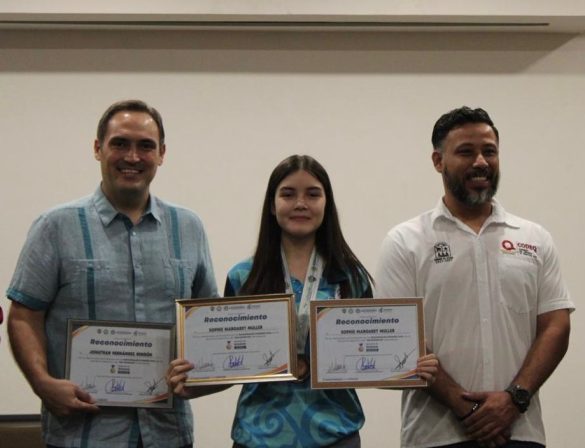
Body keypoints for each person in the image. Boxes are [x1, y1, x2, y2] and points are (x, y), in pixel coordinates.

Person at [168, 154, 438, 448]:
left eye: (312, 194)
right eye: (288, 194)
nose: (300, 203)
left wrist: (411, 368)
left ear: (326, 204)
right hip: (258, 435)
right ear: (272, 205)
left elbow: (366, 362)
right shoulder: (242, 277)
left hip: (336, 434)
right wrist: (193, 384)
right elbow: (233, 365)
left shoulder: (351, 276)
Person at [7, 99, 218, 448]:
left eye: (145, 146)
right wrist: (42, 383)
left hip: (168, 434)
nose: (132, 157)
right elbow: (24, 316)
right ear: (97, 148)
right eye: (120, 143)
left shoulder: (189, 227)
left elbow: (206, 323)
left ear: (162, 154)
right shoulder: (55, 226)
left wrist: (203, 376)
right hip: (82, 435)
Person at [374, 106, 574, 448]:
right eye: (466, 152)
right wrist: (466, 408)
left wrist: (514, 400)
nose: (481, 162)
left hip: (519, 431)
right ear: (438, 161)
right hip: (434, 436)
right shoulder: (406, 241)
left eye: (489, 152)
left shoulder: (534, 238)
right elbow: (399, 338)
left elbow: (555, 326)